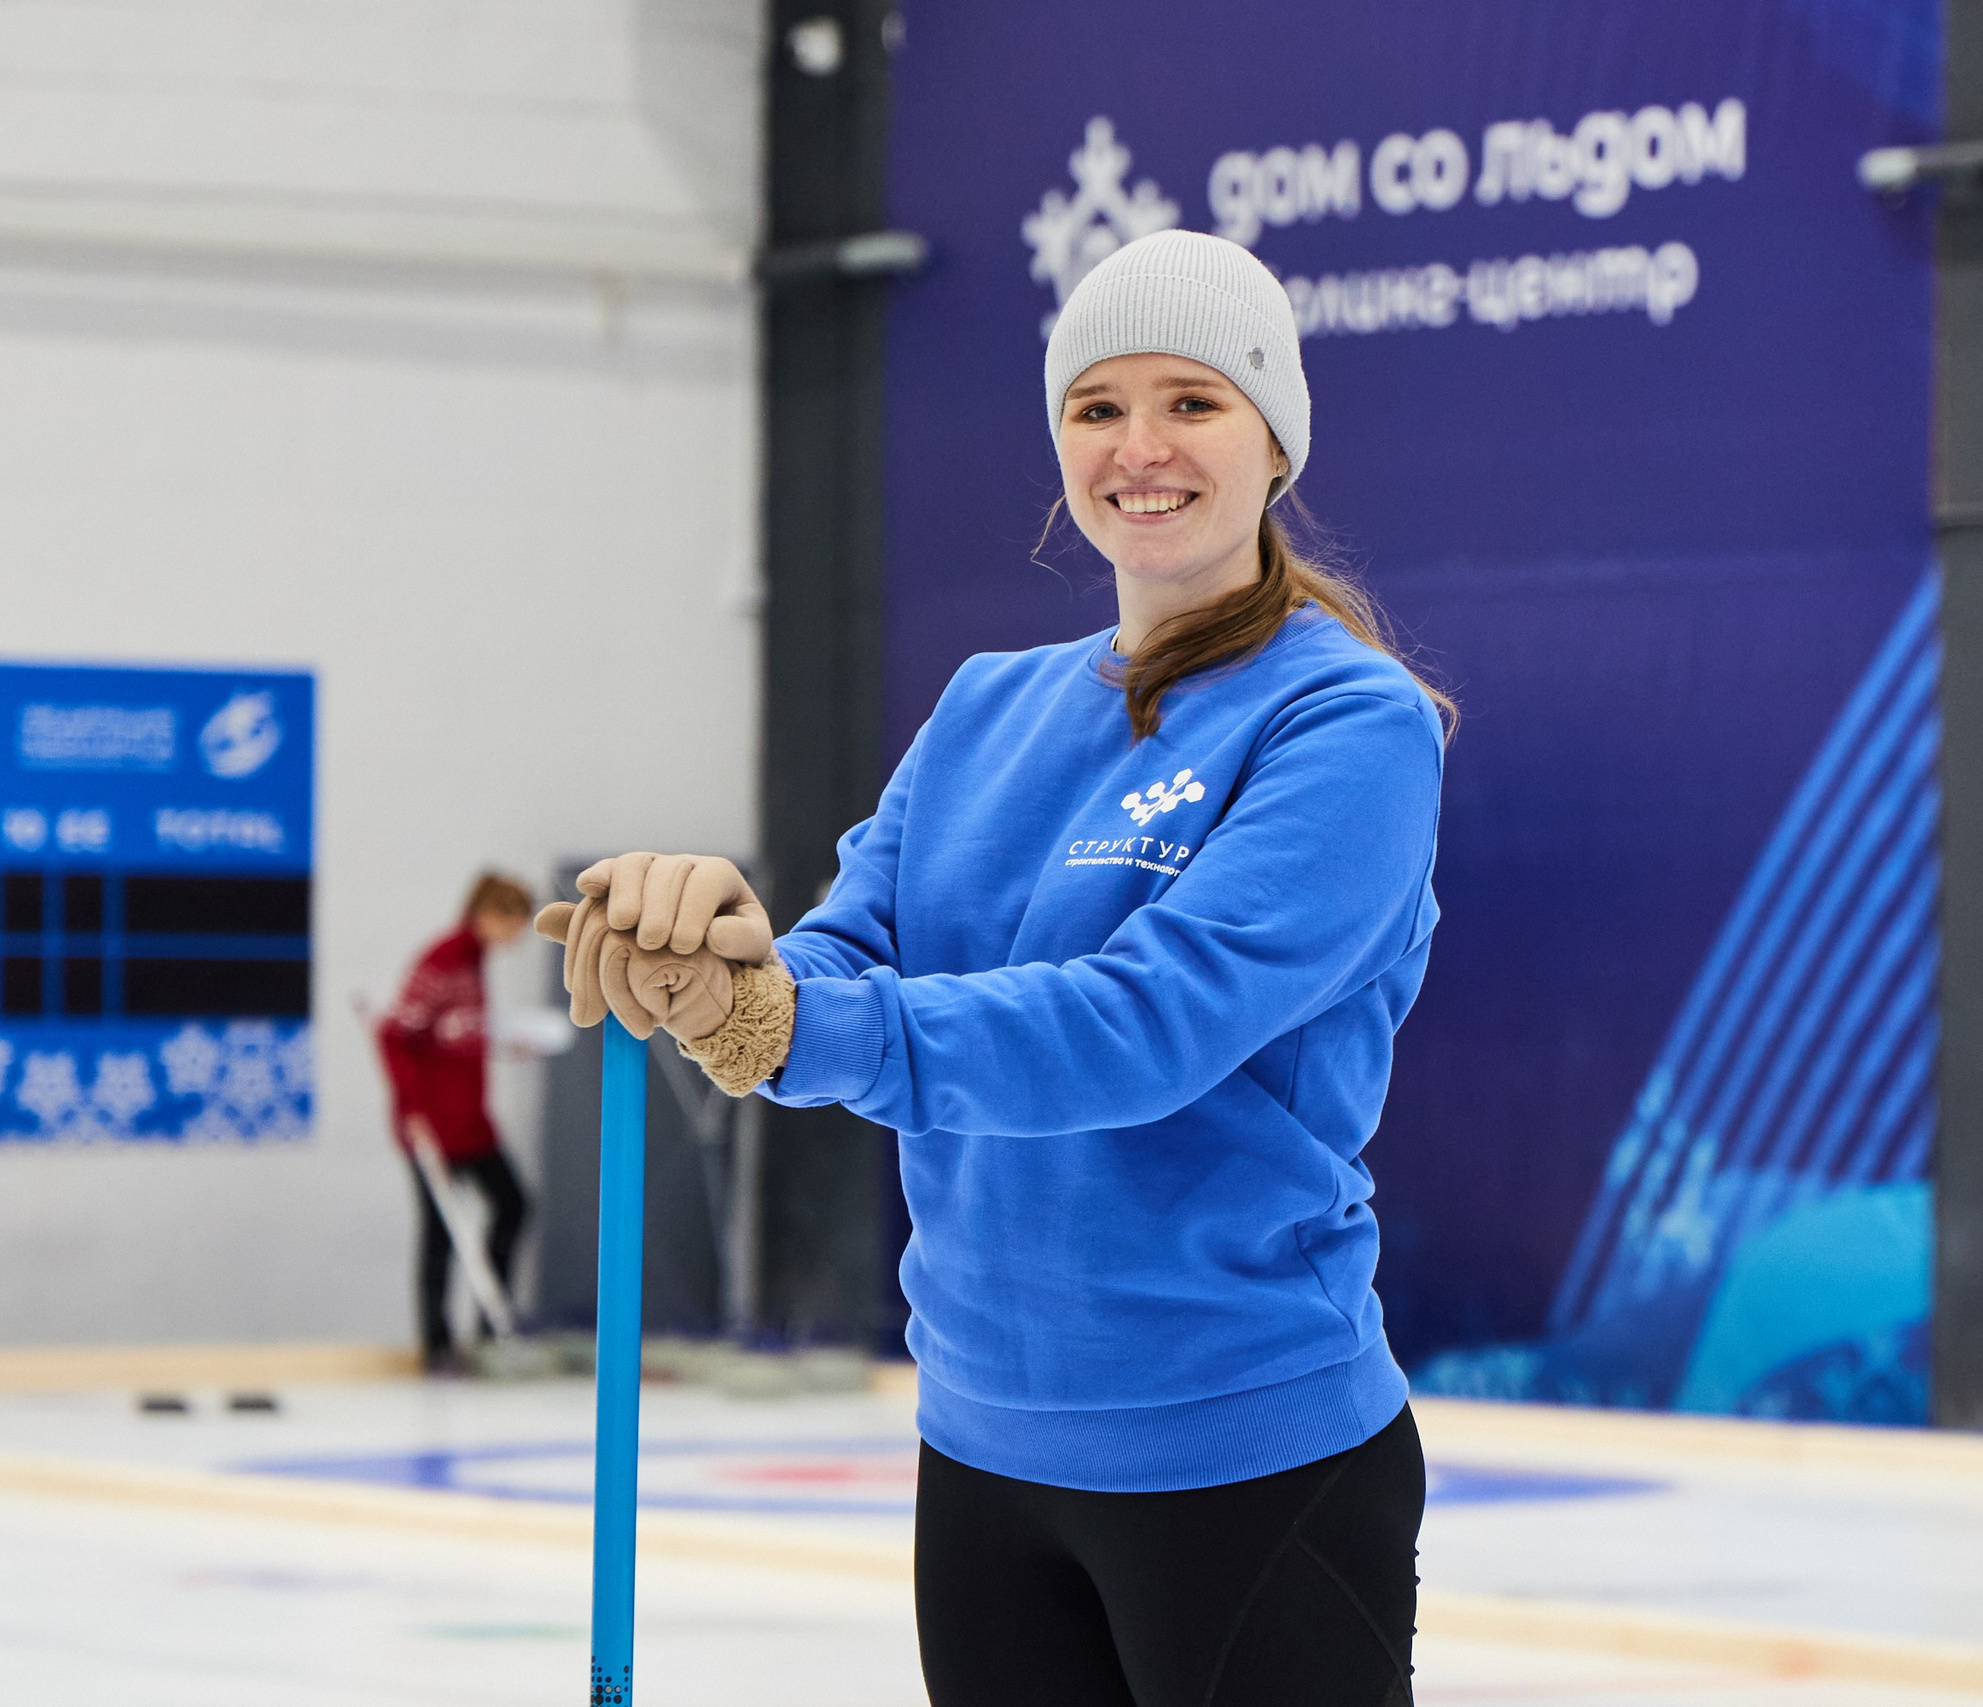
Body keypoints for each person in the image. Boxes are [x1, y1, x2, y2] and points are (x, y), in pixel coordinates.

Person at [540, 229, 1455, 1705]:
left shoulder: (1347, 722)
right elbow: (843, 955)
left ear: (1275, 437)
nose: (1139, 447)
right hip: (980, 1452)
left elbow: (1142, 1027)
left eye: (1192, 401)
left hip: (1243, 1453)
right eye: (1097, 406)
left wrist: (785, 1020)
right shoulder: (985, 709)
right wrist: (715, 965)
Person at [378, 871, 537, 1374]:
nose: (519, 934)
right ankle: (437, 1346)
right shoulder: (441, 961)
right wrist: (412, 1110)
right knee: (441, 1232)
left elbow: (451, 1036)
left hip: (472, 1122)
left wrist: (500, 1044)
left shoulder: (474, 962)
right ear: (489, 915)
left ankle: (490, 1328)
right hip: (433, 1127)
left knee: (513, 1205)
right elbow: (395, 1036)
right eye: (516, 922)